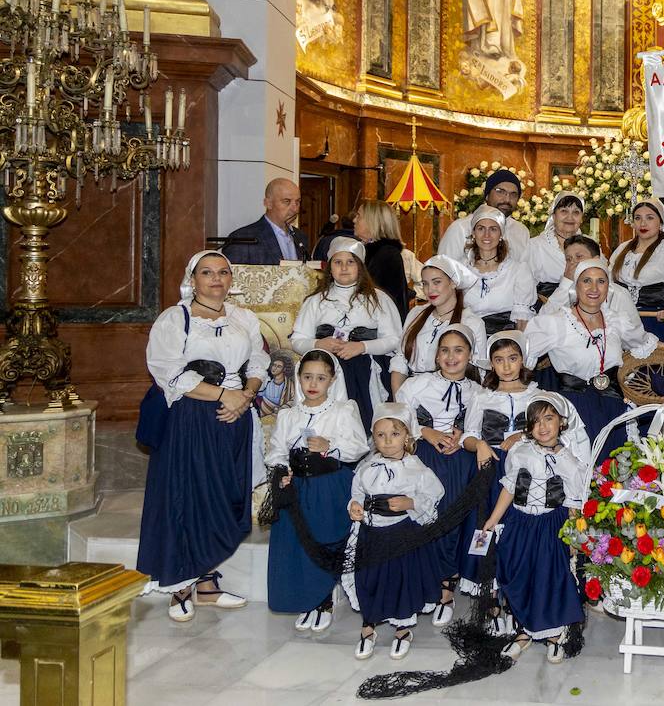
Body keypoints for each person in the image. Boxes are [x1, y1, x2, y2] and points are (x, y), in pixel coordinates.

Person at [140, 250, 269, 622]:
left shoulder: (243, 318)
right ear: (192, 279)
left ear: (231, 279)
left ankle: (208, 584)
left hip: (236, 414)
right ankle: (181, 586)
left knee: (225, 497)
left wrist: (245, 396)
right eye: (207, 272)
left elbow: (258, 361)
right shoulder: (174, 319)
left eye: (223, 272)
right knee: (191, 495)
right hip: (192, 417)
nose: (216, 278)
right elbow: (168, 372)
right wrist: (223, 394)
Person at [265, 349, 369, 633]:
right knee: (299, 542)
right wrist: (283, 470)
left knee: (325, 539)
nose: (313, 383)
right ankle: (306, 598)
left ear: (332, 380)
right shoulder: (289, 414)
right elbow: (276, 450)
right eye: (307, 377)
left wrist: (330, 445)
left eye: (321, 378)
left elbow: (358, 446)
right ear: (299, 378)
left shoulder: (343, 410)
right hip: (298, 485)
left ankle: (323, 600)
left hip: (330, 483)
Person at [480, 393, 586, 664]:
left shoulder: (570, 460)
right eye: (536, 421)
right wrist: (492, 520)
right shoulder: (520, 451)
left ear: (561, 422)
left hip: (551, 524)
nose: (543, 427)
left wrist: (573, 536)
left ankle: (553, 634)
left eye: (549, 419)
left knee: (550, 576)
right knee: (518, 571)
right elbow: (509, 487)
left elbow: (574, 502)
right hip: (521, 521)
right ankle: (524, 629)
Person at [524, 258, 664, 462]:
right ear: (576, 286)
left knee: (616, 470)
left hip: (613, 405)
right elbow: (522, 357)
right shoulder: (556, 323)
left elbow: (645, 343)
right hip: (574, 410)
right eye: (586, 281)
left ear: (608, 287)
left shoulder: (616, 321)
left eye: (601, 281)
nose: (594, 288)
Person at [396, 324, 485, 626]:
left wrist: (463, 436)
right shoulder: (416, 385)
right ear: (436, 356)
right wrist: (426, 431)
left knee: (453, 518)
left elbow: (480, 427)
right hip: (424, 457)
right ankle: (424, 582)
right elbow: (397, 419)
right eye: (444, 350)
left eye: (458, 350)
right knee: (424, 517)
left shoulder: (478, 392)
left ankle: (447, 586)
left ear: (470, 355)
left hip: (460, 460)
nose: (451, 356)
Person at [344, 403, 446, 661]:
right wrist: (355, 506)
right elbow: (357, 492)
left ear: (407, 437)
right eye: (381, 435)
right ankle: (369, 624)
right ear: (373, 437)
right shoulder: (367, 467)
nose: (388, 441)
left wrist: (411, 502)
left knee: (400, 579)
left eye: (395, 434)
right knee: (369, 578)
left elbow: (434, 494)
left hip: (400, 533)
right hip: (371, 533)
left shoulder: (415, 468)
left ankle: (402, 628)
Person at [290, 237, 403, 427]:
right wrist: (318, 344)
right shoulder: (315, 301)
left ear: (360, 266)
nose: (344, 268)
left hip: (365, 373)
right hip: (325, 374)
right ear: (330, 267)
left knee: (362, 422)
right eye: (338, 262)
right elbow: (297, 340)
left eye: (350, 262)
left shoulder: (379, 299)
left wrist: (362, 346)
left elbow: (394, 339)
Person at [391, 255, 485, 394]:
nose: (430, 290)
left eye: (437, 282)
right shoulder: (416, 314)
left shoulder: (471, 322)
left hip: (452, 396)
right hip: (411, 394)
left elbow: (479, 372)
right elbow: (400, 360)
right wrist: (399, 399)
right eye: (425, 283)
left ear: (453, 282)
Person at [610, 198, 664, 342]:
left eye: (649, 218)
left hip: (652, 323)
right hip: (618, 321)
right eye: (638, 218)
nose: (643, 223)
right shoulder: (621, 249)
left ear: (661, 223)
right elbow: (607, 282)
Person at [461, 206, 537, 336]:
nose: (486, 235)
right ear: (473, 233)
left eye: (493, 229)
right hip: (468, 338)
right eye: (481, 229)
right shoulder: (461, 269)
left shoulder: (518, 271)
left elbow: (522, 321)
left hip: (504, 341)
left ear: (501, 234)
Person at [438, 169, 531, 261]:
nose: (507, 199)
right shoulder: (460, 228)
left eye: (513, 194)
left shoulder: (521, 231)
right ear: (487, 195)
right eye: (500, 191)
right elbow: (443, 266)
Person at [539, 234, 637, 319]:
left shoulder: (618, 293)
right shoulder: (566, 291)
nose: (573, 262)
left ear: (596, 260)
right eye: (568, 259)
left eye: (579, 257)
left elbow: (633, 330)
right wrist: (566, 283)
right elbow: (542, 319)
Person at [221, 178, 308, 264]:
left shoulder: (301, 237)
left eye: (297, 202)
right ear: (268, 203)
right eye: (287, 201)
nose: (295, 209)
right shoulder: (242, 239)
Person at [353, 200, 411, 321]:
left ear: (373, 221)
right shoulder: (371, 252)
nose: (354, 220)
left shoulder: (387, 255)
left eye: (359, 216)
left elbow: (377, 297)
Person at [528, 191, 586, 307]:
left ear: (581, 219)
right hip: (546, 308)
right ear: (553, 216)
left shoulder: (590, 245)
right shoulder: (535, 246)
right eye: (564, 211)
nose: (570, 217)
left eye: (576, 212)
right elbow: (525, 286)